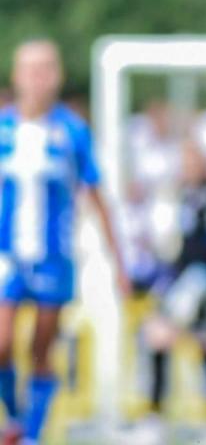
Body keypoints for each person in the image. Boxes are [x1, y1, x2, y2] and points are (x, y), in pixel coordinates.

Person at [0, 39, 129, 445]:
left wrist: (118, 263)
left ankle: (32, 435)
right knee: (1, 344)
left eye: (46, 69)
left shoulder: (72, 131)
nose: (38, 78)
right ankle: (16, 419)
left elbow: (96, 197)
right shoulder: (3, 126)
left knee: (42, 347)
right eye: (30, 69)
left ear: (56, 76)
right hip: (6, 255)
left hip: (54, 257)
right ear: (17, 76)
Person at [130, 138, 206, 445]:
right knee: (158, 341)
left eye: (193, 162)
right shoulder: (181, 196)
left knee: (203, 345)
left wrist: (200, 282)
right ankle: (155, 418)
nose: (187, 168)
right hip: (182, 280)